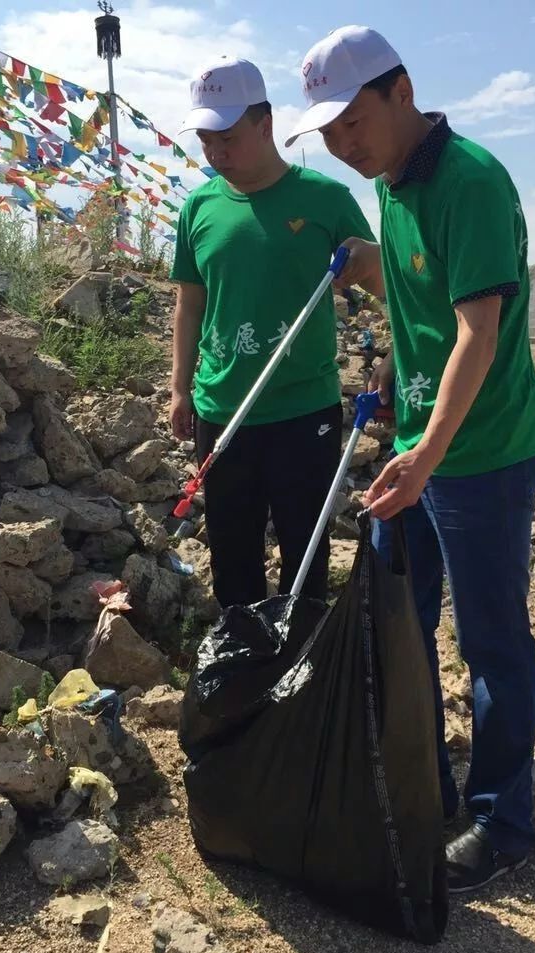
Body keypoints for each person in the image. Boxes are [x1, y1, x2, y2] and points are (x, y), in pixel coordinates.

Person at [286, 25, 535, 893]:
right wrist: (364, 265)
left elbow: (480, 329)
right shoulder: (394, 186)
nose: (341, 146)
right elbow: (421, 302)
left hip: (479, 455)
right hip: (420, 449)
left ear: (401, 92)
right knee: (406, 628)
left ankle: (501, 819)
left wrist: (428, 453)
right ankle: (425, 782)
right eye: (327, 133)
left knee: (492, 642)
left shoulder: (469, 181)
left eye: (352, 123)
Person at [170, 56, 375, 608]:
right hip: (222, 411)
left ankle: (299, 658)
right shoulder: (198, 208)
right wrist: (180, 388)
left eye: (228, 138)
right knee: (232, 548)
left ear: (265, 125)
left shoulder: (325, 199)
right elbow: (190, 305)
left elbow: (388, 283)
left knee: (304, 549)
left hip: (303, 411)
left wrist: (372, 260)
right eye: (207, 140)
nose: (216, 153)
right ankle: (243, 660)